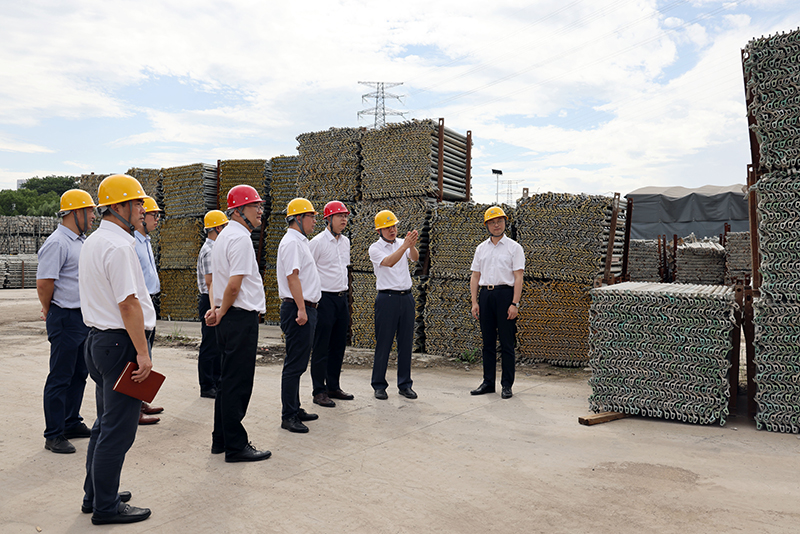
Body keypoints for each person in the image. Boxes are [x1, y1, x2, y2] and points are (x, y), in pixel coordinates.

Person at [79, 173, 154, 525]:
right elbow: (128, 303)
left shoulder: (95, 241)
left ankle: (95, 494)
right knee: (118, 431)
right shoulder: (121, 246)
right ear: (120, 206)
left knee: (104, 424)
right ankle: (106, 507)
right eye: (137, 203)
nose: (142, 209)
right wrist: (143, 353)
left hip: (98, 342)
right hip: (120, 344)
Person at [204, 185, 271, 462]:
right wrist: (222, 310)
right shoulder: (241, 239)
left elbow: (218, 282)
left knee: (226, 381)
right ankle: (236, 446)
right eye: (255, 206)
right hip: (239, 317)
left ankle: (220, 439)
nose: (260, 211)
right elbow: (234, 284)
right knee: (238, 383)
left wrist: (218, 310)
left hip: (228, 317)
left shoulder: (224, 237)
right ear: (239, 210)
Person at [37, 189, 96, 454]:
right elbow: (44, 283)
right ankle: (53, 434)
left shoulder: (80, 241)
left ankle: (71, 422)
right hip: (65, 316)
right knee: (60, 376)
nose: (93, 216)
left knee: (79, 373)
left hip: (82, 317)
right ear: (76, 212)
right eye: (90, 211)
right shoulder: (57, 242)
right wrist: (49, 309)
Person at [469, 206, 525, 399]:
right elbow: (475, 276)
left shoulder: (514, 248)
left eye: (499, 221)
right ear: (486, 225)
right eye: (492, 222)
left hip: (505, 295)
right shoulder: (481, 249)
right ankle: (488, 383)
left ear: (505, 222)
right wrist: (474, 302)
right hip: (486, 295)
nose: (496, 225)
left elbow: (518, 277)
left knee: (507, 343)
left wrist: (514, 303)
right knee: (488, 343)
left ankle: (507, 385)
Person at [277, 197, 322, 433]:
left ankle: (295, 408)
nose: (314, 221)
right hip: (298, 309)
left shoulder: (300, 241)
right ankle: (289, 415)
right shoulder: (292, 243)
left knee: (299, 363)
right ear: (298, 218)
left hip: (304, 307)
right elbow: (292, 277)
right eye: (311, 216)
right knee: (294, 365)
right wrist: (302, 309)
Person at [369, 210, 419, 400]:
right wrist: (404, 246)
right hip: (387, 298)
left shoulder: (401, 243)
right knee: (384, 342)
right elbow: (389, 262)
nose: (392, 230)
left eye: (394, 226)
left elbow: (414, 257)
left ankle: (405, 384)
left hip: (406, 297)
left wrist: (411, 246)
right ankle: (379, 384)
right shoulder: (375, 248)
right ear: (379, 230)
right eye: (388, 227)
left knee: (406, 343)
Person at [308, 201, 353, 408]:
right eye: (339, 216)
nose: (344, 219)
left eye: (345, 216)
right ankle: (319, 390)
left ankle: (333, 386)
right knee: (321, 346)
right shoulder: (317, 242)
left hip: (341, 298)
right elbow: (308, 271)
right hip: (324, 299)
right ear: (328, 219)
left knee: (338, 344)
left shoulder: (345, 242)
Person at [133, 196, 163, 424]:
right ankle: (134, 410)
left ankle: (141, 402)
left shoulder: (146, 241)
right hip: (139, 303)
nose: (157, 219)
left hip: (150, 300)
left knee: (148, 353)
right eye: (154, 215)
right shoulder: (133, 243)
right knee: (141, 355)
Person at [196, 210, 228, 399]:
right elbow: (210, 283)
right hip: (210, 300)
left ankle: (215, 381)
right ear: (218, 228)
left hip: (213, 301)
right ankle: (207, 385)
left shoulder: (215, 249)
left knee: (217, 345)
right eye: (225, 226)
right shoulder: (210, 251)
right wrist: (214, 308)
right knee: (209, 345)